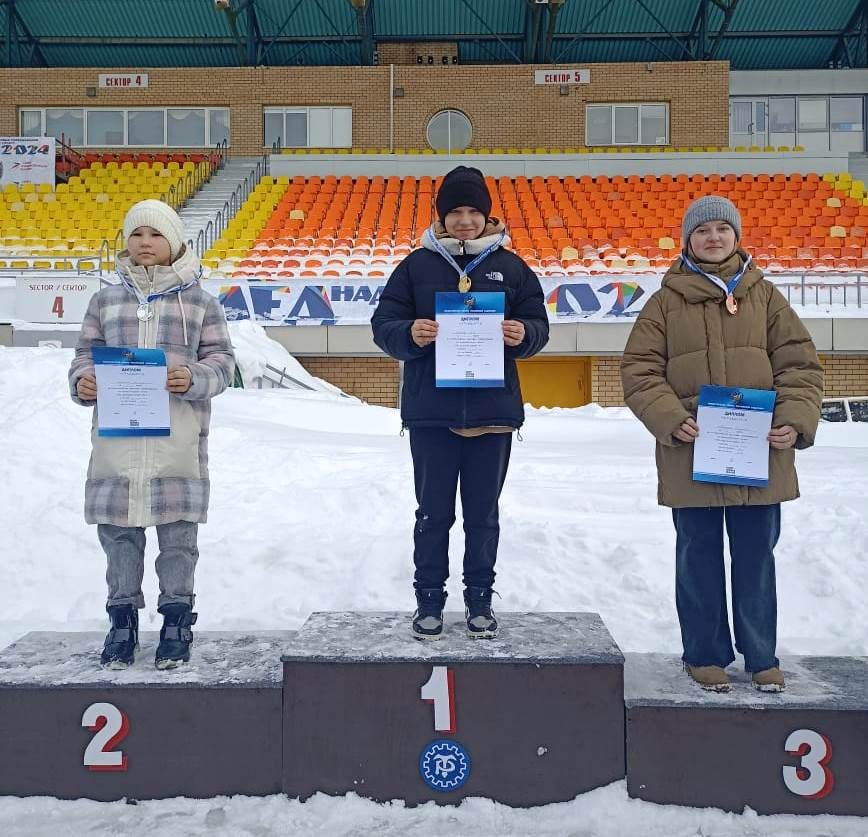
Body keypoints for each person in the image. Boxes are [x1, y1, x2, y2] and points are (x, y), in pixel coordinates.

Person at [621, 195, 823, 693]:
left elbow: (800, 366)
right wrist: (671, 419)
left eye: (722, 229)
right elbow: (639, 371)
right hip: (691, 455)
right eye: (703, 230)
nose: (714, 237)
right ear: (688, 240)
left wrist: (793, 421)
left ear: (737, 236)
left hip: (761, 456)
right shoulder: (664, 302)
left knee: (757, 558)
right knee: (698, 558)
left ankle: (761, 655)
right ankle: (705, 654)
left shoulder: (766, 296)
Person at [372, 166, 549, 641]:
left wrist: (523, 334)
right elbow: (383, 324)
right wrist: (409, 333)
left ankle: (480, 601)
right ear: (442, 217)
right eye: (455, 212)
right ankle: (428, 599)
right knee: (432, 515)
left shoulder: (510, 267)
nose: (465, 221)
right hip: (432, 415)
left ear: (487, 215)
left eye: (474, 211)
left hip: (492, 416)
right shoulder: (414, 267)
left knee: (483, 515)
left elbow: (538, 324)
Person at [69, 199, 235, 670]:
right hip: (118, 448)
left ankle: (177, 619)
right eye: (136, 234)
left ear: (175, 241)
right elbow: (83, 356)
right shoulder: (104, 300)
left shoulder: (200, 302)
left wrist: (194, 377)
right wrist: (84, 382)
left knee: (178, 537)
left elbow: (224, 363)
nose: (144, 243)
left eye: (155, 234)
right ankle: (121, 620)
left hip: (176, 445)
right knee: (119, 536)